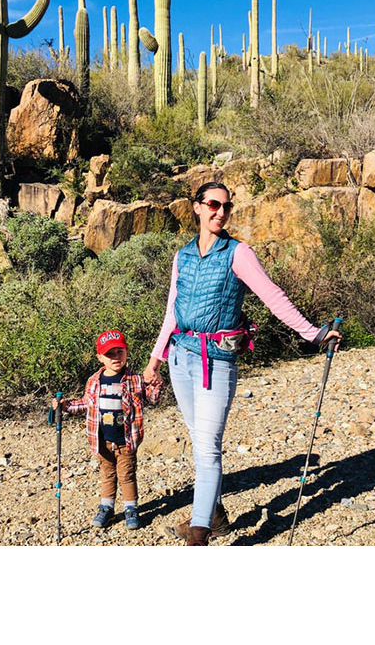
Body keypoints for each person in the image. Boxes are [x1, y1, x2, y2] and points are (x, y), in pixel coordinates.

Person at [143, 182, 341, 546]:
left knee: (207, 448)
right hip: (180, 358)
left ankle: (199, 534)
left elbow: (273, 297)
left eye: (227, 207)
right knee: (199, 441)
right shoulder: (183, 256)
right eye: (214, 205)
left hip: (215, 361)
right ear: (197, 208)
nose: (221, 212)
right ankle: (215, 514)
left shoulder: (238, 253)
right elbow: (172, 309)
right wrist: (155, 359)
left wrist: (313, 333)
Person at [53, 329, 161, 531]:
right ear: (100, 357)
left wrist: (156, 382)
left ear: (127, 352)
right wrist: (65, 406)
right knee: (107, 474)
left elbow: (153, 399)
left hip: (127, 439)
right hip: (102, 440)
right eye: (109, 354)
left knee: (127, 475)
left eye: (119, 352)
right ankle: (107, 507)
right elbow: (86, 404)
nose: (115, 358)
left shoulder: (135, 380)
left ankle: (131, 508)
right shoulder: (94, 381)